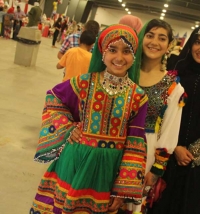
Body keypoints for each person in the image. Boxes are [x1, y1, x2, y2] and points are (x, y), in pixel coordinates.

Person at [30, 24, 148, 214]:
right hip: (75, 162)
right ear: (102, 52)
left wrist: (122, 190)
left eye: (126, 51)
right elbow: (54, 97)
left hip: (109, 172)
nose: (119, 57)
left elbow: (135, 142)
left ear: (134, 56)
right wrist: (68, 128)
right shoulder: (84, 82)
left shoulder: (138, 97)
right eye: (112, 50)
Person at [73, 19, 185, 214]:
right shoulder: (121, 68)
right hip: (103, 148)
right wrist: (71, 127)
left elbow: (169, 130)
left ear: (169, 45)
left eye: (162, 38)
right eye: (150, 35)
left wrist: (156, 169)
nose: (154, 42)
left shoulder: (174, 87)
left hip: (143, 153)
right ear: (140, 39)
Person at [148, 24, 200, 214]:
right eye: (197, 42)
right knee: (157, 201)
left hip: (195, 161)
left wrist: (190, 152)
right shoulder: (175, 72)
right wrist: (175, 147)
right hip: (165, 152)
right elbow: (161, 112)